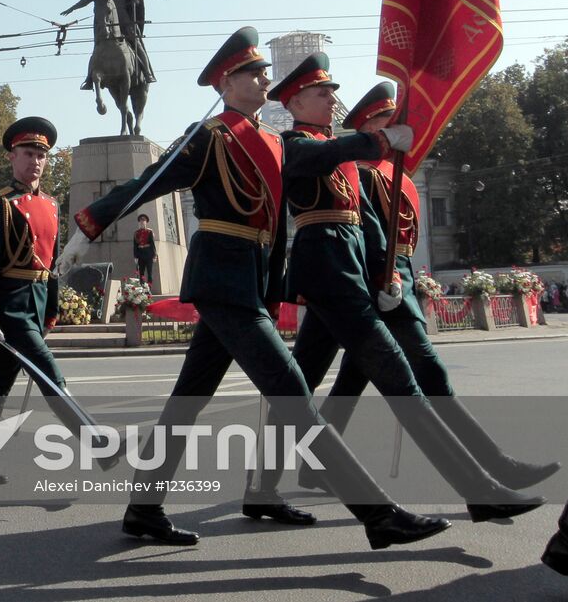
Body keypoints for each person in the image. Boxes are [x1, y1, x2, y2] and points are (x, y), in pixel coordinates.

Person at [63, 28, 453, 549]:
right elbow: (149, 182)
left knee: (188, 400)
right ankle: (377, 515)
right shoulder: (210, 137)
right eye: (253, 72)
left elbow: (319, 160)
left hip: (247, 285)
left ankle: (144, 508)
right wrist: (89, 226)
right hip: (222, 283)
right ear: (226, 82)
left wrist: (374, 142)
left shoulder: (271, 140)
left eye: (263, 71)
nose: (264, 78)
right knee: (292, 391)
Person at [247, 54, 541, 521]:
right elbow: (318, 159)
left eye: (331, 92)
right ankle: (479, 489)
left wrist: (389, 276)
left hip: (351, 279)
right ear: (296, 100)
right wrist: (376, 140)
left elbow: (368, 226)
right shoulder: (296, 145)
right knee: (402, 381)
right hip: (329, 277)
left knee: (296, 386)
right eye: (322, 93)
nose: (331, 99)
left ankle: (260, 488)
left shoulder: (339, 151)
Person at [0, 116, 100, 485]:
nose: (35, 160)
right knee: (49, 374)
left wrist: (52, 307)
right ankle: (97, 443)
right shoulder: (0, 204)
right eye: (28, 153)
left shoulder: (52, 205)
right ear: (12, 157)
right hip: (10, 307)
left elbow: (52, 263)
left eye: (41, 154)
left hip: (36, 303)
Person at [132, 214, 157, 287]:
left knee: (149, 272)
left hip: (148, 254)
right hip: (140, 254)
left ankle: (149, 288)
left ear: (146, 222)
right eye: (141, 221)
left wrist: (155, 255)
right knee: (141, 273)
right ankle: (142, 287)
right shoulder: (136, 233)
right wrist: (135, 256)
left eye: (143, 221)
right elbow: (135, 246)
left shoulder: (149, 232)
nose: (142, 222)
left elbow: (152, 244)